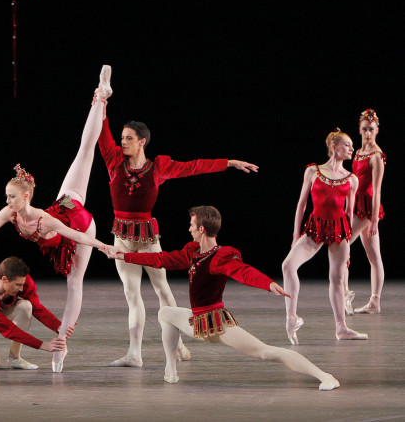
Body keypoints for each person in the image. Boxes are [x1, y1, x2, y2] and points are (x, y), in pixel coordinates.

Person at [0, 66, 114, 373]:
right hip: (67, 202)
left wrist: (103, 246)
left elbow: (75, 237)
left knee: (74, 282)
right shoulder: (10, 212)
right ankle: (100, 98)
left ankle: (61, 346)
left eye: (11, 197)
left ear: (26, 198)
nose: (6, 202)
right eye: (6, 196)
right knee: (84, 152)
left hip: (80, 225)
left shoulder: (43, 220)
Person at [96, 95, 258, 367]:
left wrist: (227, 162)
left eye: (128, 138)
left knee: (163, 289)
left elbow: (193, 166)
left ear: (142, 141)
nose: (121, 142)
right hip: (122, 238)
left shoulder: (157, 167)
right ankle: (134, 353)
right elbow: (102, 136)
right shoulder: (114, 161)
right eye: (121, 137)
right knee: (131, 294)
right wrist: (101, 105)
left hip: (147, 238)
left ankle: (179, 342)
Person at [103, 206, 340, 391]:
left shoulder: (220, 257)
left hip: (217, 325)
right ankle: (170, 370)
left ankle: (325, 376)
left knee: (266, 352)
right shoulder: (193, 252)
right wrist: (124, 256)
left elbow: (243, 271)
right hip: (196, 322)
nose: (189, 229)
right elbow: (161, 259)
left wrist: (268, 283)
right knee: (165, 313)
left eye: (192, 225)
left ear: (202, 229)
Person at [281, 129, 367, 343]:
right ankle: (291, 318)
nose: (351, 148)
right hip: (315, 228)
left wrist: (348, 246)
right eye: (347, 144)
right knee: (288, 266)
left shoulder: (351, 179)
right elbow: (301, 206)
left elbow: (349, 213)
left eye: (351, 145)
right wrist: (295, 236)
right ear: (334, 147)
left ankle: (341, 327)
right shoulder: (313, 171)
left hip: (339, 231)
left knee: (337, 279)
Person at [343, 109, 385, 315]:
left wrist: (375, 219)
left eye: (371, 129)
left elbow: (377, 190)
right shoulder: (358, 153)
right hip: (356, 204)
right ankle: (374, 302)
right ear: (359, 130)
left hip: (367, 209)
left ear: (377, 131)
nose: (368, 133)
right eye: (365, 129)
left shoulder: (376, 156)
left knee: (341, 243)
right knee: (373, 255)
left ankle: (344, 292)